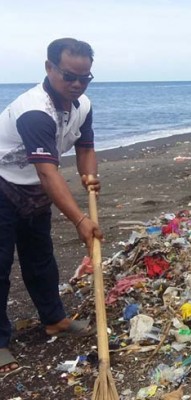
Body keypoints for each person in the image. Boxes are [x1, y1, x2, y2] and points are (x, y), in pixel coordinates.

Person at [0, 38, 103, 377]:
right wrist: (80, 219)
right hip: (3, 183)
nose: (76, 84)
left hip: (34, 188)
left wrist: (90, 177)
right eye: (69, 76)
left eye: (84, 77)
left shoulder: (82, 105)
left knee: (40, 257)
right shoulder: (34, 111)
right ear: (49, 68)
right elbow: (48, 171)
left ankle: (54, 319)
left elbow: (85, 146)